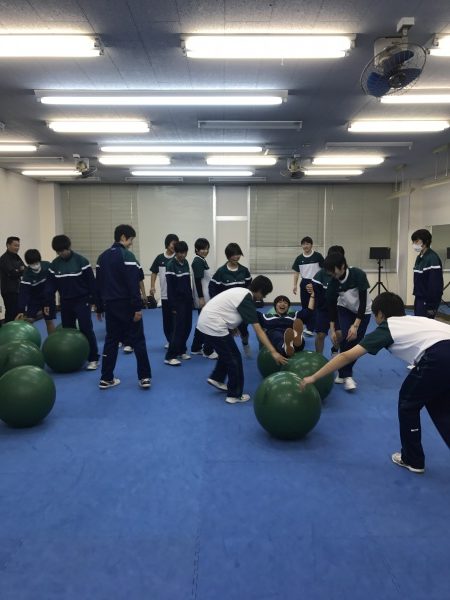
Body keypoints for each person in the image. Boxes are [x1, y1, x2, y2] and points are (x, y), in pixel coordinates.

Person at [300, 292, 450, 474]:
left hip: (438, 357)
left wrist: (314, 377)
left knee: (408, 403)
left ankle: (413, 459)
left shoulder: (388, 327)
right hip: (442, 353)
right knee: (440, 406)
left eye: (374, 315)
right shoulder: (416, 319)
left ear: (380, 314)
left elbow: (347, 356)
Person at [197, 275, 288, 404]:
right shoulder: (247, 299)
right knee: (234, 358)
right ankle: (234, 394)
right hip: (213, 324)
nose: (263, 298)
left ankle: (217, 378)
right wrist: (274, 352)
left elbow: (229, 309)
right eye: (264, 294)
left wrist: (232, 326)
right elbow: (258, 330)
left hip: (206, 321)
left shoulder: (242, 292)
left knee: (227, 352)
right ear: (259, 290)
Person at [96, 224, 152, 389]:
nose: (131, 243)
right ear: (123, 237)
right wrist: (137, 308)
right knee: (138, 340)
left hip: (110, 306)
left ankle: (106, 378)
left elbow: (98, 285)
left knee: (111, 341)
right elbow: (133, 284)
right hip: (127, 305)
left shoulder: (102, 257)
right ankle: (144, 377)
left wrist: (99, 307)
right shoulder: (128, 256)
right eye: (131, 239)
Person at [45, 235, 99, 370]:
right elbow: (50, 287)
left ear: (69, 247)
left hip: (82, 300)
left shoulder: (81, 261)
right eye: (58, 252)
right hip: (65, 302)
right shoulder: (54, 265)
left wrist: (95, 301)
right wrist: (47, 303)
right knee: (68, 330)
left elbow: (92, 283)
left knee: (86, 328)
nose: (61, 254)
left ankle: (93, 358)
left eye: (63, 250)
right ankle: (74, 357)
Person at [324, 252, 372, 392]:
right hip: (345, 309)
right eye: (329, 272)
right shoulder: (333, 282)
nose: (332, 274)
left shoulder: (358, 274)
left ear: (342, 266)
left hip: (364, 312)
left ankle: (342, 371)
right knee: (346, 337)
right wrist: (332, 330)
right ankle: (347, 375)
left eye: (333, 270)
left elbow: (363, 302)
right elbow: (331, 307)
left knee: (355, 343)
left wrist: (355, 325)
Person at [209, 242, 252, 356]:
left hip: (242, 307)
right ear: (228, 256)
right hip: (227, 308)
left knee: (243, 329)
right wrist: (215, 302)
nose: (236, 257)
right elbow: (212, 287)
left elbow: (249, 287)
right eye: (233, 254)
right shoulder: (221, 271)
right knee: (227, 331)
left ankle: (245, 343)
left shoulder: (244, 270)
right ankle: (229, 351)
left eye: (238, 254)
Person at [312, 245, 345, 356]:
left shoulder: (346, 275)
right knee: (320, 335)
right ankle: (318, 358)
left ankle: (335, 349)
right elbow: (317, 296)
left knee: (340, 334)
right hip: (324, 310)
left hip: (340, 310)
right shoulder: (320, 275)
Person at [164, 241, 193, 366]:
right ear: (175, 252)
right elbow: (170, 288)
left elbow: (187, 283)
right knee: (178, 329)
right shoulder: (170, 265)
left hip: (187, 301)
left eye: (184, 252)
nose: (182, 255)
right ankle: (170, 356)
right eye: (180, 253)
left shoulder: (186, 262)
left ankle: (182, 350)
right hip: (177, 302)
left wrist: (191, 299)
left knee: (187, 326)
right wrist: (173, 305)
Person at [16, 249, 56, 335]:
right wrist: (21, 310)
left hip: (47, 298)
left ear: (39, 260)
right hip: (34, 299)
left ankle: (52, 340)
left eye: (37, 262)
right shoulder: (27, 275)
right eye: (32, 264)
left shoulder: (47, 266)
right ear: (28, 264)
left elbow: (55, 281)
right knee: (29, 320)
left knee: (49, 320)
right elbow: (23, 293)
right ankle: (26, 339)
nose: (35, 265)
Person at [149, 234, 179, 348]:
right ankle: (170, 340)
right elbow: (154, 272)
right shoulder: (160, 258)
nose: (174, 246)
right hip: (164, 295)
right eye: (173, 244)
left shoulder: (178, 257)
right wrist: (152, 286)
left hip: (176, 296)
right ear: (167, 244)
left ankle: (175, 341)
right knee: (167, 320)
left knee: (176, 320)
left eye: (176, 244)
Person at [190, 237, 218, 359]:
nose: (205, 251)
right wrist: (201, 298)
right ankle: (208, 350)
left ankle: (196, 348)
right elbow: (197, 281)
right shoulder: (198, 261)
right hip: (203, 298)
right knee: (208, 323)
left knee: (202, 322)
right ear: (196, 249)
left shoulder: (201, 260)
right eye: (202, 249)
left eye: (207, 249)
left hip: (206, 297)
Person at [292, 236, 324, 336]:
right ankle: (306, 325)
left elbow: (324, 270)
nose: (305, 246)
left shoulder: (318, 256)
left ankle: (311, 328)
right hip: (304, 282)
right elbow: (296, 273)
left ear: (311, 245)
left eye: (307, 244)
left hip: (316, 283)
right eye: (303, 244)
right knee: (305, 306)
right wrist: (295, 285)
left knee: (314, 305)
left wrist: (319, 282)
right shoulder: (299, 258)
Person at [411, 229, 443, 318]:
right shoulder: (419, 257)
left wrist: (431, 305)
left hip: (428, 301)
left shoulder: (432, 258)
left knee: (425, 324)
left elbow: (435, 285)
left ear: (425, 241)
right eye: (413, 241)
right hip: (419, 297)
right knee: (418, 322)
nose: (414, 244)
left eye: (416, 241)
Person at [0, 236, 25, 322]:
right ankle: (8, 330)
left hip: (18, 289)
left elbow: (25, 269)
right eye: (15, 245)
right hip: (8, 291)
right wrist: (19, 270)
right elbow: (13, 273)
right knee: (11, 313)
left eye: (18, 245)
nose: (17, 248)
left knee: (19, 312)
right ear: (8, 245)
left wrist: (18, 270)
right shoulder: (4, 259)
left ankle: (18, 330)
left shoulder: (17, 257)